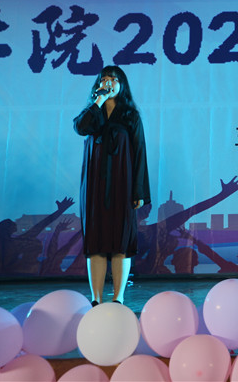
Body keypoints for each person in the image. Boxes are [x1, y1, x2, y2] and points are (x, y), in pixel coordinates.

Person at [73, 65, 150, 305]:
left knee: (120, 241)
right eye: (104, 78)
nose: (109, 82)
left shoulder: (130, 115)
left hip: (122, 184)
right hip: (94, 186)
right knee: (95, 242)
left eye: (114, 79)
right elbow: (80, 127)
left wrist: (138, 190)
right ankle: (95, 299)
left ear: (122, 85)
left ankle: (118, 298)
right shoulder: (92, 113)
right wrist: (98, 101)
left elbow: (139, 152)